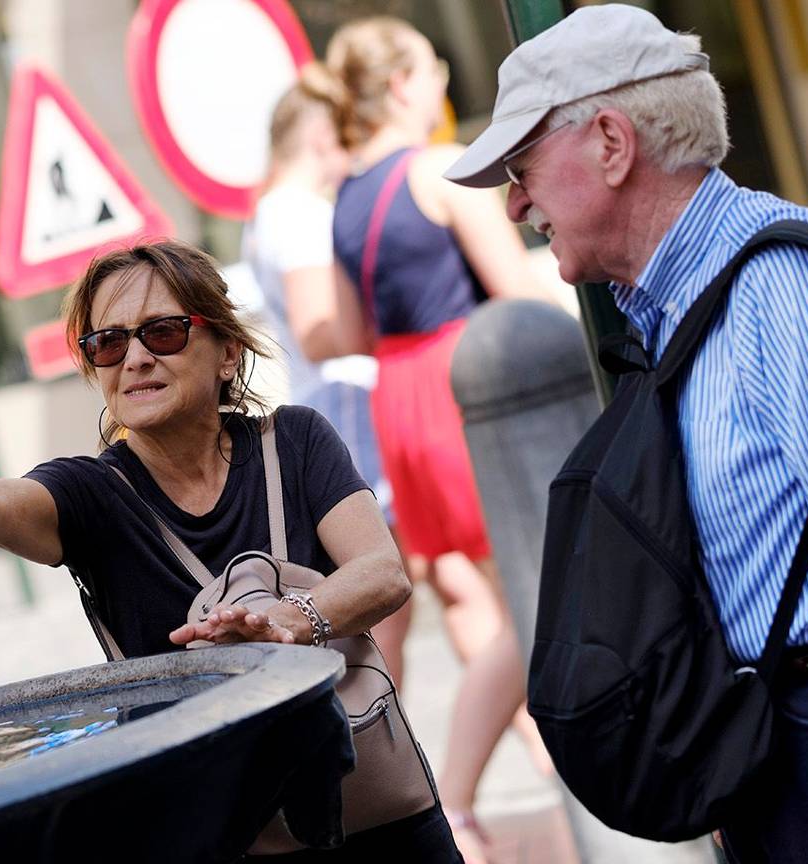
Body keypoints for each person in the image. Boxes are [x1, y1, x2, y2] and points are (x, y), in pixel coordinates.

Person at [0, 239, 462, 861]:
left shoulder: (299, 441)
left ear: (226, 351)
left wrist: (291, 620)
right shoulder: (92, 495)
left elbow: (381, 572)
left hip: (382, 815)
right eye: (106, 343)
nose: (134, 357)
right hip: (229, 837)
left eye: (161, 331)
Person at [443, 5, 808, 862]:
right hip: (773, 750)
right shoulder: (680, 305)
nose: (513, 203)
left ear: (612, 143)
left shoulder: (783, 288)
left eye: (522, 163)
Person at [318, 17, 554, 860]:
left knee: (496, 600)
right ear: (407, 86)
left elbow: (349, 328)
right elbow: (519, 295)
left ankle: (538, 765)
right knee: (536, 603)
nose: (447, 83)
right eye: (435, 69)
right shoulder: (439, 173)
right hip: (471, 386)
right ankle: (451, 797)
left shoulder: (346, 193)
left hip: (402, 399)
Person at [243, 66, 413, 686]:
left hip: (335, 407)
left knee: (406, 596)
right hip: (347, 409)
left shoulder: (269, 211)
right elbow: (320, 328)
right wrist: (403, 314)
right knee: (382, 602)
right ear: (319, 137)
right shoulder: (297, 213)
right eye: (344, 135)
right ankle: (376, 735)